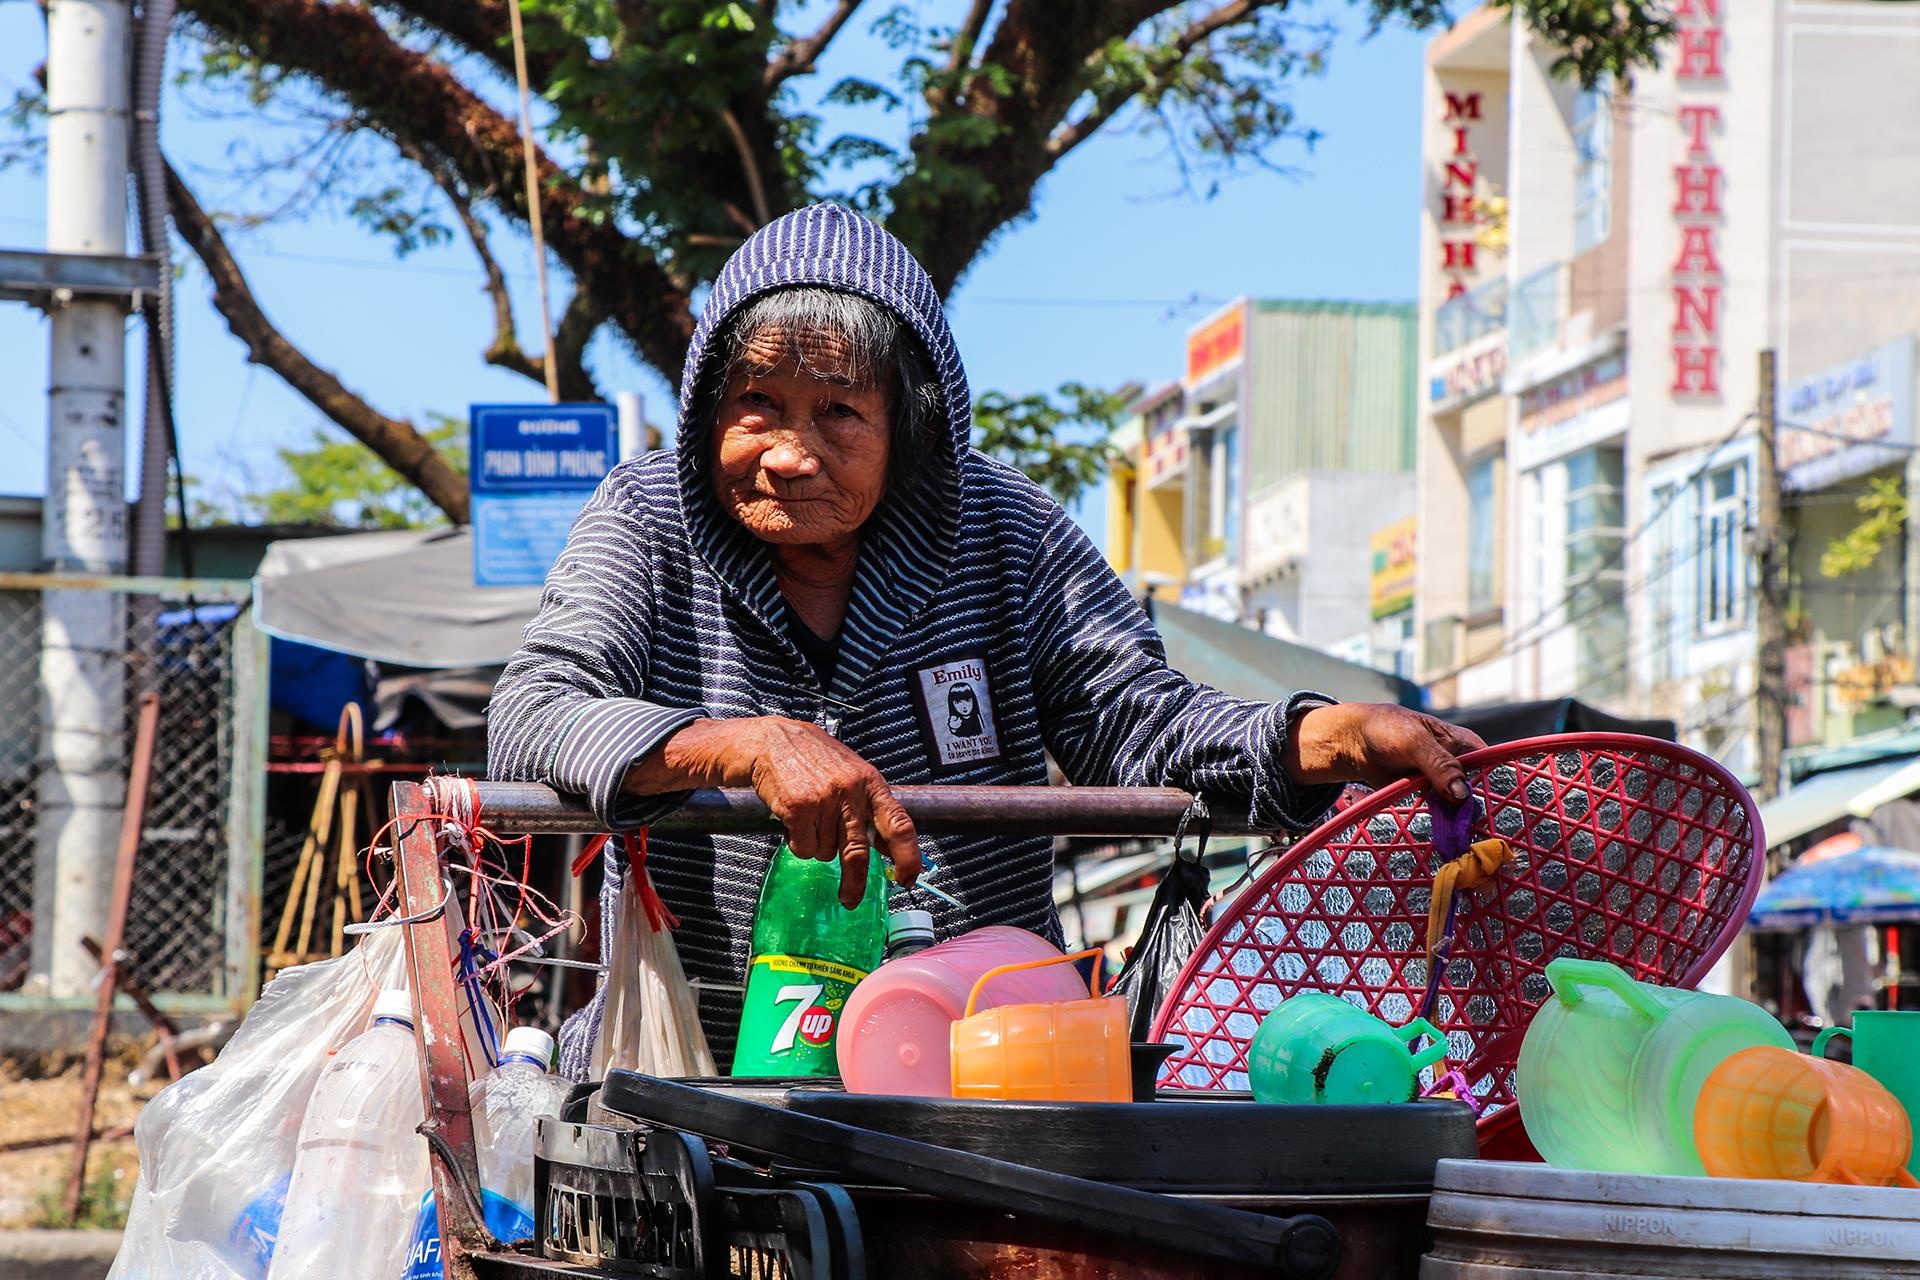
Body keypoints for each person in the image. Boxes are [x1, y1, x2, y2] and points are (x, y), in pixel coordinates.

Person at [487, 204, 1485, 1076]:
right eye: (758, 405)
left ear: (912, 428)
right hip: (687, 1078)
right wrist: (747, 746)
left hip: (973, 1077)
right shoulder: (646, 518)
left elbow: (1135, 722)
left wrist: (1324, 736)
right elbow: (535, 713)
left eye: (839, 412)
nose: (790, 454)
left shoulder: (1007, 530)